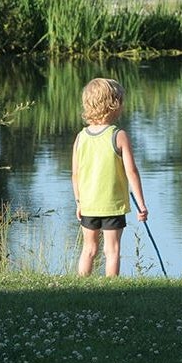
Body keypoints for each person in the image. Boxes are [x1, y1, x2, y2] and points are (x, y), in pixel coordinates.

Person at [71, 78, 148, 277]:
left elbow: (75, 174)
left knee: (89, 249)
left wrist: (78, 202)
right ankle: (111, 287)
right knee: (112, 250)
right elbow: (132, 172)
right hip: (112, 205)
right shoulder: (118, 135)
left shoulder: (81, 137)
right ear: (113, 105)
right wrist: (141, 205)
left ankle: (80, 284)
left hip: (88, 204)